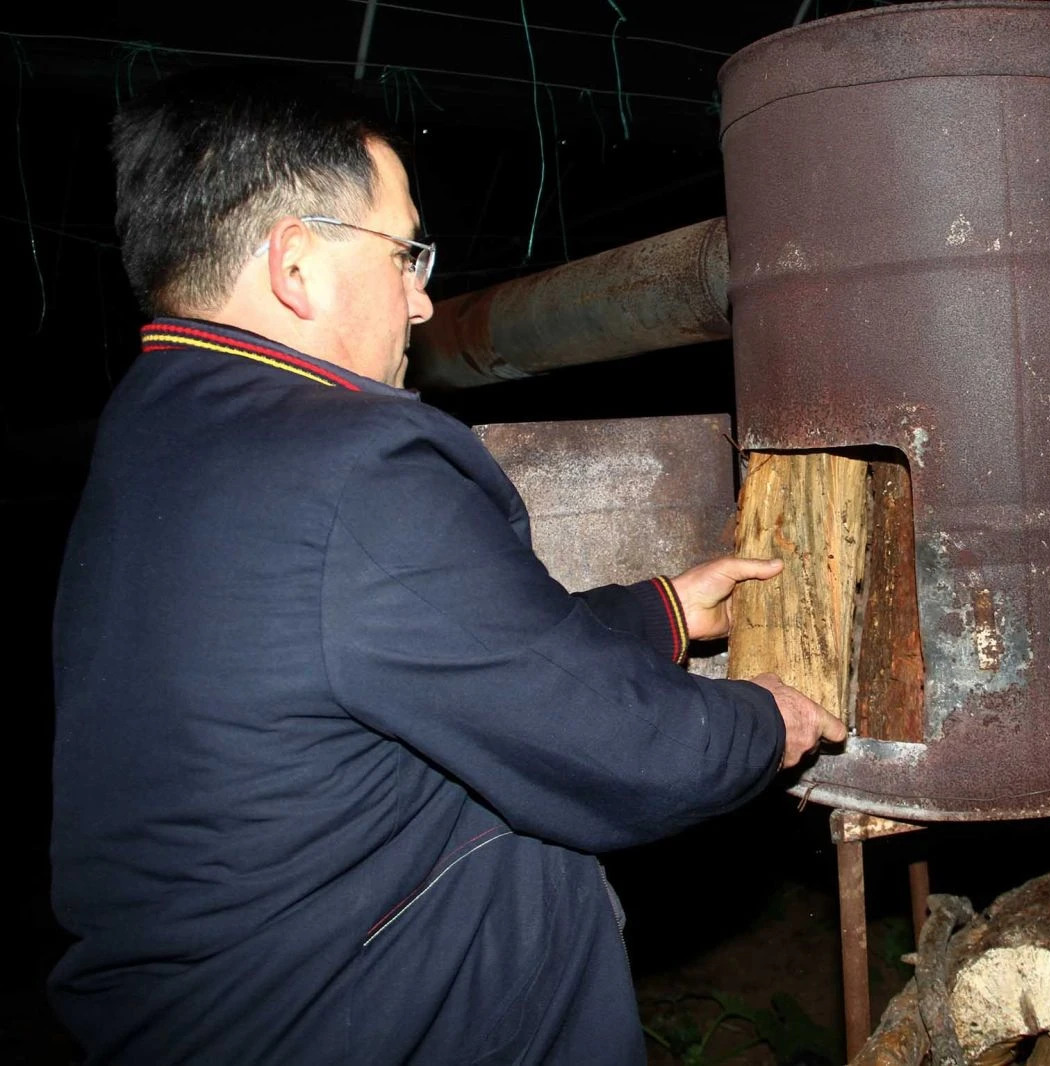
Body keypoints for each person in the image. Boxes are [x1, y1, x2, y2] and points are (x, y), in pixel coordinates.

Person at [49, 69, 845, 1065]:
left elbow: (448, 661)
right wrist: (766, 717)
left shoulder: (165, 428)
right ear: (297, 265)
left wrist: (666, 610)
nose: (423, 302)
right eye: (404, 252)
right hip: (344, 1013)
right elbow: (620, 751)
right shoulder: (348, 466)